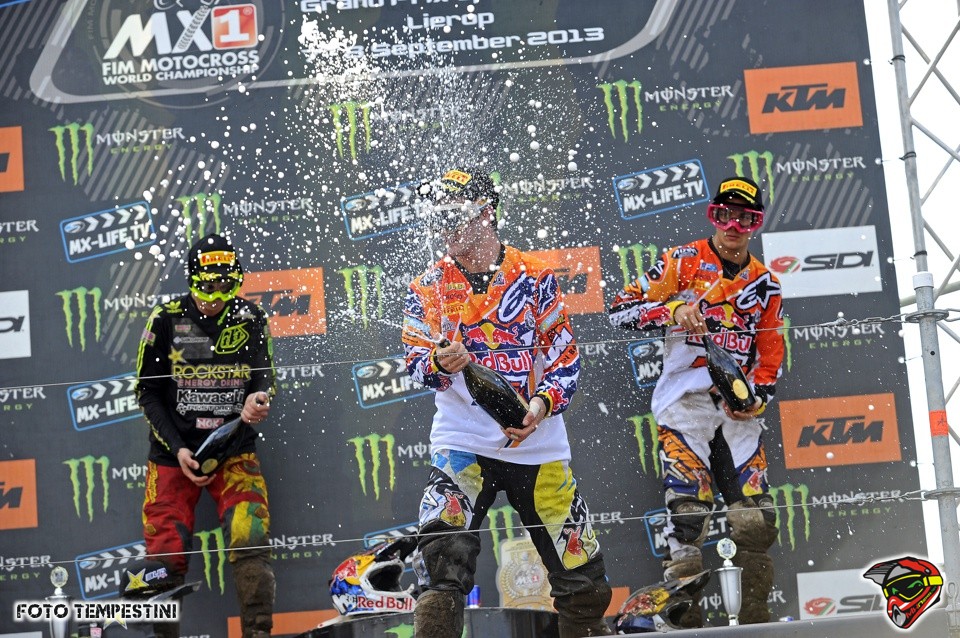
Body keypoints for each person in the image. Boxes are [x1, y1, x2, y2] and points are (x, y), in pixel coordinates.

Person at [402, 168, 612, 638]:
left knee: (585, 587)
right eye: (438, 217)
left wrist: (539, 407)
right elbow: (415, 363)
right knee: (440, 570)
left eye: (456, 215)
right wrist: (440, 361)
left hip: (537, 445)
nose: (445, 227)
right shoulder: (427, 286)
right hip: (462, 445)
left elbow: (566, 359)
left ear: (487, 213)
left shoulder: (535, 277)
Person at [609, 176, 785, 626]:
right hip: (685, 404)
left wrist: (757, 399)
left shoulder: (766, 284)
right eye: (724, 215)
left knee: (757, 521)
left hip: (737, 410)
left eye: (744, 218)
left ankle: (757, 623)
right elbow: (619, 309)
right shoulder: (683, 260)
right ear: (713, 216)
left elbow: (771, 354)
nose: (733, 226)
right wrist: (671, 310)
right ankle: (686, 628)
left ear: (756, 224)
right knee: (688, 518)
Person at [135, 233, 277, 638]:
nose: (216, 296)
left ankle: (258, 633)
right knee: (164, 551)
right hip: (172, 454)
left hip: (233, 448)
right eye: (207, 286)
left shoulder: (251, 317)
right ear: (192, 280)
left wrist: (258, 400)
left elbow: (264, 378)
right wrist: (178, 448)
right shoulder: (165, 319)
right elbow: (147, 391)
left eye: (226, 286)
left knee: (249, 536)